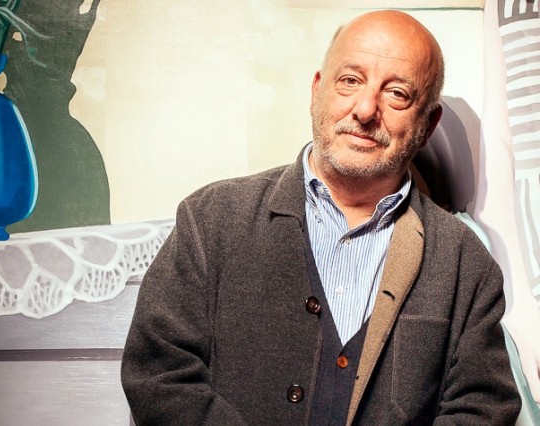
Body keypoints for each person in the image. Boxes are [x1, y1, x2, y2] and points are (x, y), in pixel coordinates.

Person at [121, 10, 521, 425]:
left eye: (397, 93)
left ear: (428, 123)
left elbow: (483, 409)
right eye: (350, 80)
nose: (365, 109)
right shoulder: (210, 219)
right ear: (317, 91)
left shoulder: (466, 263)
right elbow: (159, 376)